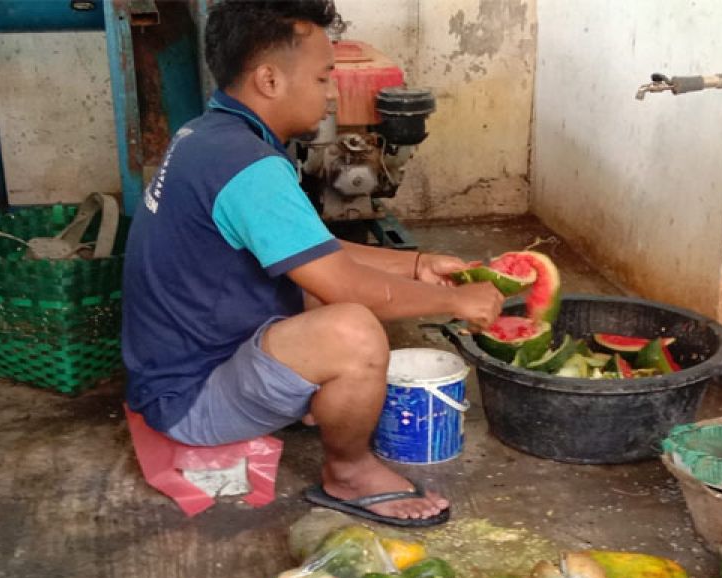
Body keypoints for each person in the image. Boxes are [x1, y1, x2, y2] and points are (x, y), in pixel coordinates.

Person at [121, 0, 502, 527]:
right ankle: (349, 471)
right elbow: (345, 284)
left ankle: (307, 404)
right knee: (353, 328)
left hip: (181, 367)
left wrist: (414, 266)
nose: (329, 95)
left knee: (321, 292)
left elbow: (313, 249)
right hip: (191, 399)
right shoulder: (249, 167)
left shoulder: (212, 137)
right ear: (269, 80)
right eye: (324, 78)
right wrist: (456, 301)